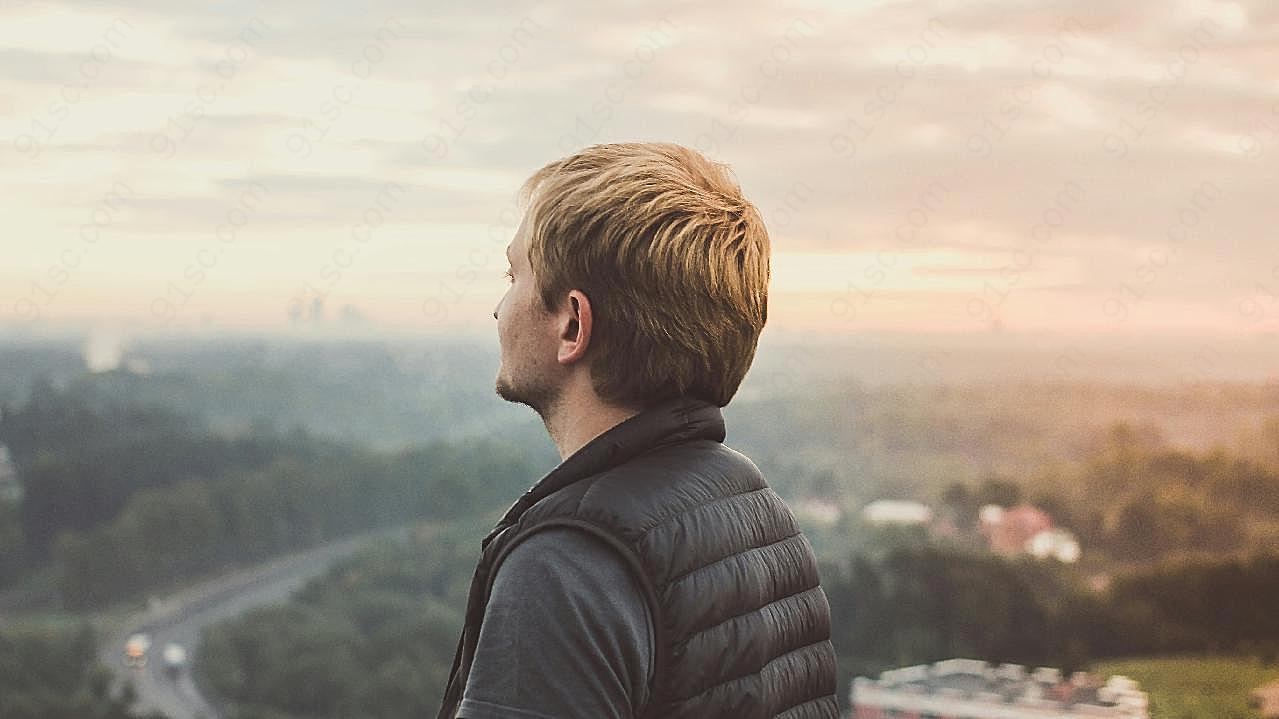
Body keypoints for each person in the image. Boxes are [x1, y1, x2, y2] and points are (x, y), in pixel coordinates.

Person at [437, 142, 838, 719]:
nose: (498, 309)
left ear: (573, 322)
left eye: (513, 274)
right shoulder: (756, 513)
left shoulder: (565, 567)